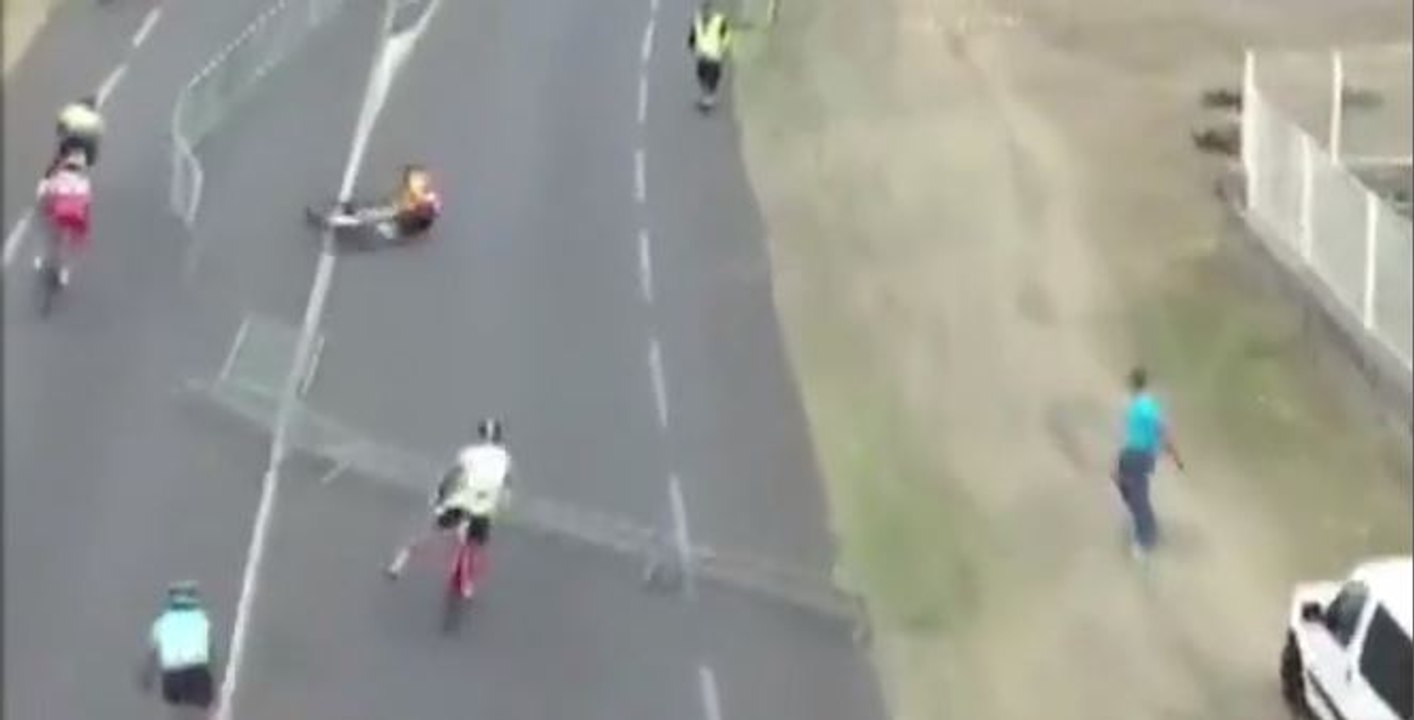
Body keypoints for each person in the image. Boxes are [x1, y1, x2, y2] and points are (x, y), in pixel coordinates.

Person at [385, 418, 514, 596]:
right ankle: (466, 581)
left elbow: (452, 475)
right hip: (482, 506)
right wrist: (505, 500)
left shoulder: (469, 453)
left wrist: (439, 495)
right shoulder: (505, 457)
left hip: (464, 501)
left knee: (433, 532)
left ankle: (401, 560)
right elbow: (506, 483)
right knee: (472, 543)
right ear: (499, 437)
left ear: (481, 434)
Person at [1112, 366, 1185, 559]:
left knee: (1137, 496)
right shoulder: (1135, 404)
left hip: (1140, 454)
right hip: (1132, 453)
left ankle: (1146, 538)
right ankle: (1146, 526)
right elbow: (1160, 432)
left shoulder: (1145, 407)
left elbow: (1163, 431)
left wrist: (1174, 456)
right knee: (1125, 486)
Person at [141, 581, 215, 712]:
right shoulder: (202, 618)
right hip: (197, 672)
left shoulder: (161, 622)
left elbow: (152, 654)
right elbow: (210, 652)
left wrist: (147, 677)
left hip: (172, 676)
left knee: (175, 709)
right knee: (205, 707)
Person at [327, 164, 441, 242]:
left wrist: (402, 211)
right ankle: (351, 214)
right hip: (399, 219)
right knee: (377, 213)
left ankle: (341, 221)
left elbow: (406, 218)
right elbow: (412, 196)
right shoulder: (422, 203)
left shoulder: (420, 217)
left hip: (398, 228)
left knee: (373, 221)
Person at [35, 150, 94, 286]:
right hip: (73, 219)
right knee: (68, 247)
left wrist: (43, 205)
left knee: (51, 240)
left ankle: (43, 259)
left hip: (56, 216)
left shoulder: (57, 179)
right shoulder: (84, 183)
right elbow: (87, 203)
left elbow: (44, 195)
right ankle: (64, 272)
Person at [687, 0, 732, 109]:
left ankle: (709, 99)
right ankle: (705, 96)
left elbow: (726, 35)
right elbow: (693, 35)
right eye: (704, 11)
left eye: (708, 11)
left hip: (715, 55)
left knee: (712, 77)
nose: (706, 13)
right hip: (702, 54)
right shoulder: (697, 21)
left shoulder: (719, 21)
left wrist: (723, 48)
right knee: (701, 75)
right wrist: (692, 46)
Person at [55, 95, 104, 170]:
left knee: (62, 150)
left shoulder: (70, 110)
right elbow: (98, 134)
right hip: (84, 141)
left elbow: (60, 124)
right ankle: (89, 164)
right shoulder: (95, 118)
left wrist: (61, 133)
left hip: (70, 138)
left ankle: (57, 163)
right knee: (92, 146)